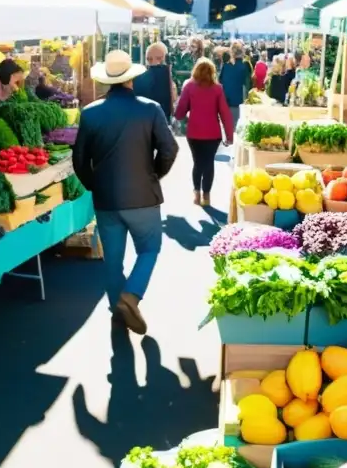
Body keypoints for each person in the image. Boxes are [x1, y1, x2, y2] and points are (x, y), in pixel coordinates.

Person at [73, 50, 178, 335]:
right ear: (132, 78)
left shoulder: (90, 112)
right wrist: (154, 173)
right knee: (149, 249)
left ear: (107, 80)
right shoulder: (150, 108)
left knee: (113, 259)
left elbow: (79, 160)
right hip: (143, 196)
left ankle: (117, 309)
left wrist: (94, 184)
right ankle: (130, 297)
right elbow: (170, 149)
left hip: (106, 199)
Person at [174, 58, 234, 207]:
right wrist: (229, 136)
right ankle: (206, 195)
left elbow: (181, 110)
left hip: (194, 133)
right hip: (213, 134)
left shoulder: (189, 87)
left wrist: (178, 116)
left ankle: (196, 192)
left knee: (197, 163)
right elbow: (225, 113)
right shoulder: (218, 89)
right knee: (208, 164)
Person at [133, 41, 177, 119]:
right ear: (163, 58)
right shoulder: (167, 80)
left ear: (147, 59)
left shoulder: (136, 81)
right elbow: (173, 102)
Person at [219, 41, 252, 124]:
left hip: (226, 102)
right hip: (239, 103)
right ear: (243, 52)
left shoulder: (226, 66)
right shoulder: (245, 66)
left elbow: (220, 81)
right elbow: (248, 85)